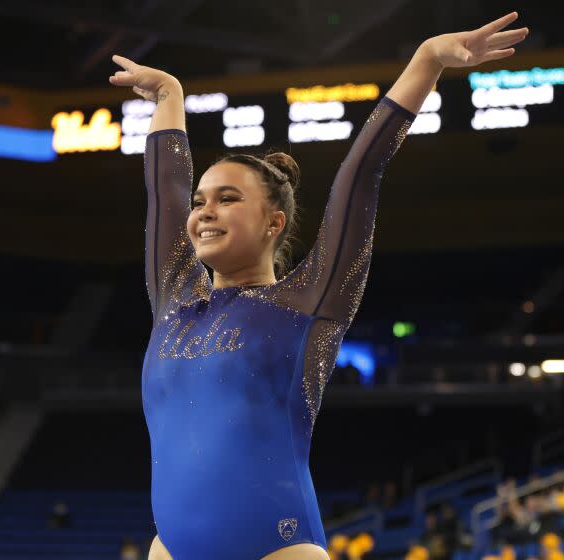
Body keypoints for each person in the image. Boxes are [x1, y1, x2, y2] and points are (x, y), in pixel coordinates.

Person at [108, 11, 528, 560]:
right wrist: (169, 94)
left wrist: (426, 61)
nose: (204, 212)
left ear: (274, 222)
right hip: (172, 549)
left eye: (228, 199)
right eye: (201, 201)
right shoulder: (174, 298)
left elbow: (361, 173)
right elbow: (164, 190)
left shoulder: (306, 301)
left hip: (276, 549)